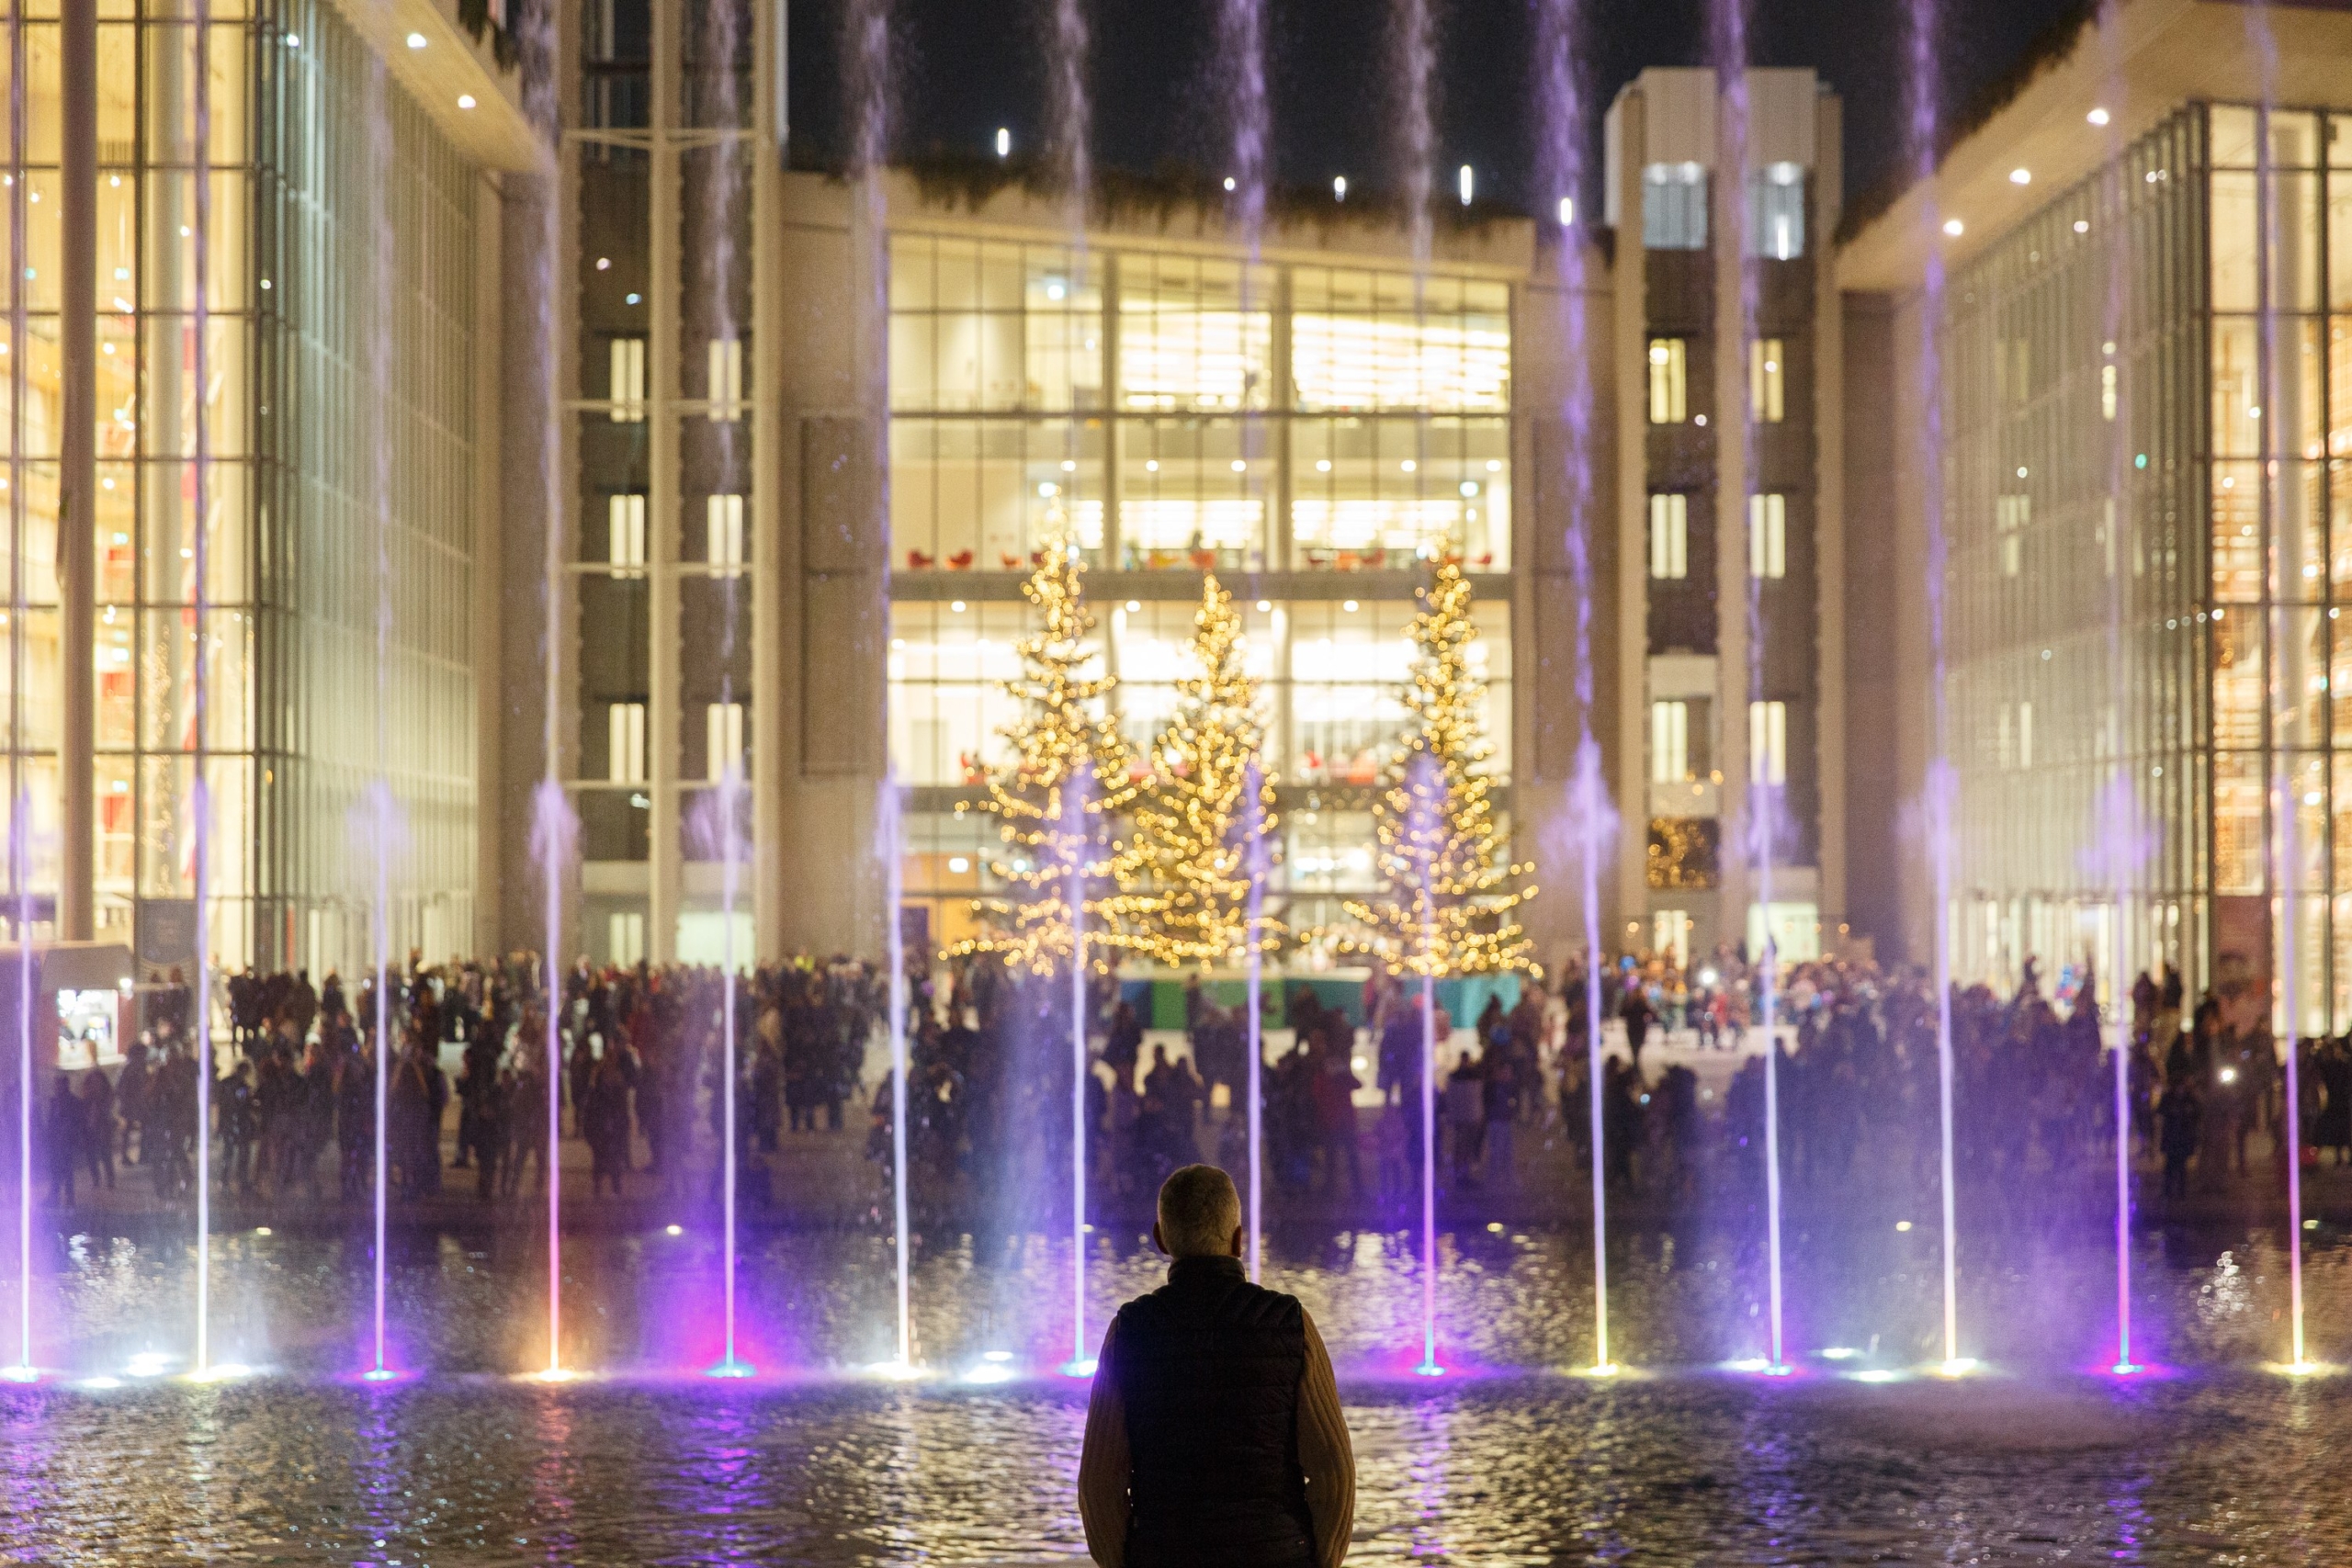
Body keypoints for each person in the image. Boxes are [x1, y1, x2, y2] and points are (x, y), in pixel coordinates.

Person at [1078, 1164, 1353, 1568]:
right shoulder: (1290, 1325)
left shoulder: (1129, 1333)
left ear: (1160, 1239)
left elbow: (1099, 1485)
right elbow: (1334, 1473)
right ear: (1239, 1240)